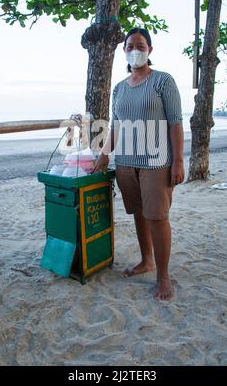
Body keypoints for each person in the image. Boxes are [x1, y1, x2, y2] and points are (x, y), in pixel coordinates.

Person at [93, 27, 184, 301]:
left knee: (157, 217)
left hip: (156, 164)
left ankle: (163, 277)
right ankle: (147, 261)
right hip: (126, 164)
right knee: (139, 214)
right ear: (124, 51)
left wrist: (178, 160)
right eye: (130, 46)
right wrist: (104, 155)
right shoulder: (119, 88)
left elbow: (176, 123)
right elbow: (117, 125)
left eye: (141, 45)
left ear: (150, 50)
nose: (136, 50)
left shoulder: (163, 82)